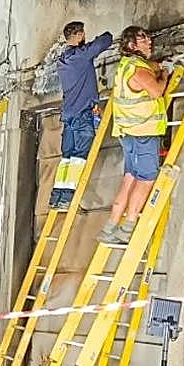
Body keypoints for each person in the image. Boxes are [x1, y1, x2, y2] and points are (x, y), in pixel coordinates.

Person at [100, 26, 170, 245]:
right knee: (146, 179)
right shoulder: (138, 70)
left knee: (130, 177)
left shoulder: (126, 65)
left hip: (129, 134)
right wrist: (165, 74)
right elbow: (156, 91)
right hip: (143, 134)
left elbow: (148, 68)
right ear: (132, 45)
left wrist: (158, 65)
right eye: (143, 39)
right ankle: (128, 227)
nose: (149, 42)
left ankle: (111, 226)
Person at [52, 21, 114, 211]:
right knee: (79, 156)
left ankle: (57, 196)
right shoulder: (80, 55)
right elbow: (105, 41)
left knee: (66, 157)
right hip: (83, 114)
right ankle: (68, 197)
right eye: (83, 34)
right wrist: (101, 37)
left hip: (69, 115)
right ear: (79, 35)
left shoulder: (62, 60)